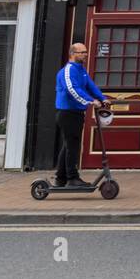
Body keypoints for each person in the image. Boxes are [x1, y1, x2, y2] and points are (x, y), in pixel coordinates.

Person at [54, 42, 108, 188]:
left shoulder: (81, 70)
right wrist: (91, 101)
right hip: (67, 113)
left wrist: (102, 98)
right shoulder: (68, 70)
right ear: (72, 53)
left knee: (68, 145)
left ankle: (60, 178)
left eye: (85, 52)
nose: (85, 54)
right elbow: (73, 89)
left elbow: (90, 85)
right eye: (82, 52)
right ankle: (72, 179)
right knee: (72, 146)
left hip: (76, 113)